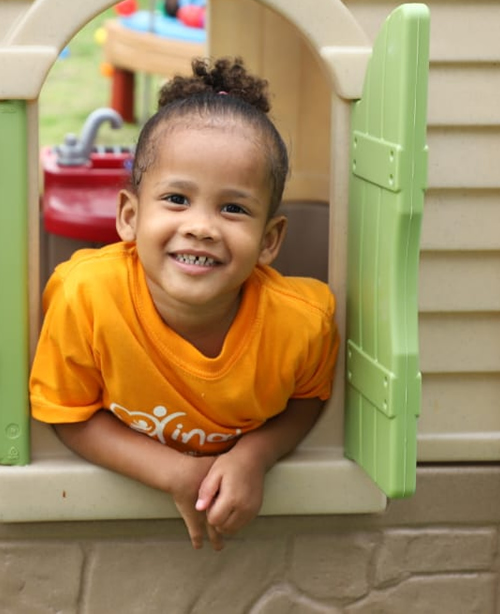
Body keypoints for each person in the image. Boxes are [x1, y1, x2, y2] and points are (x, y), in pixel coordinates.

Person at [29, 57, 340, 550]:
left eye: (233, 208)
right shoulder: (84, 297)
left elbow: (308, 401)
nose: (201, 226)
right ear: (129, 215)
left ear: (269, 240)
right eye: (176, 199)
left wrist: (254, 456)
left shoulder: (303, 322)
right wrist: (176, 472)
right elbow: (67, 414)